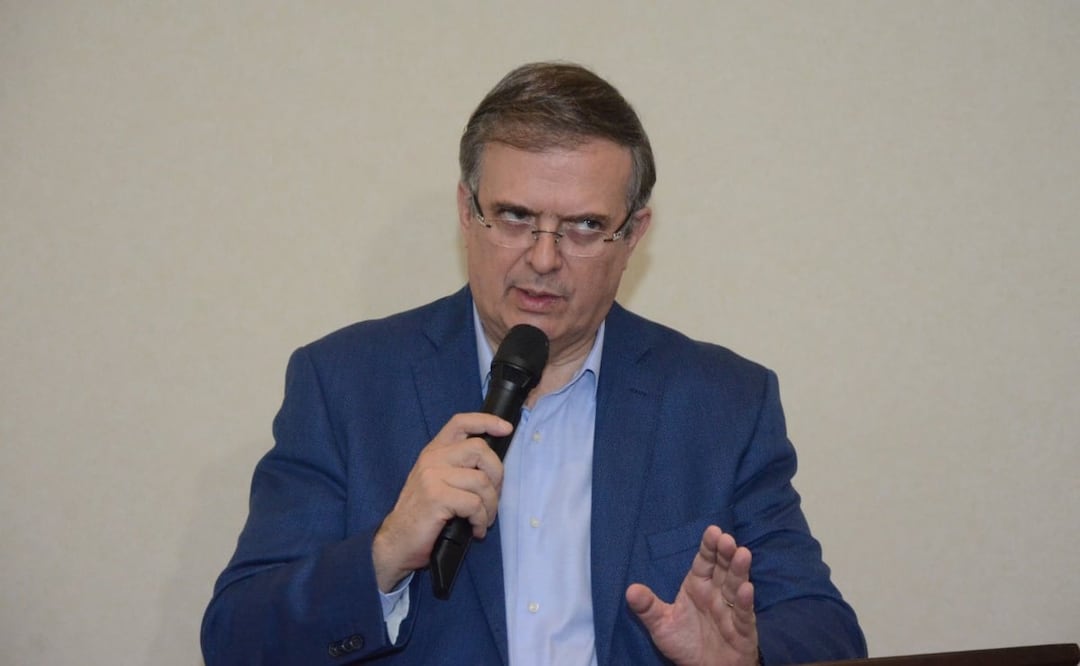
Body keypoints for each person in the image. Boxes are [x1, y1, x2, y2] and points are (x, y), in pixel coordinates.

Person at [201, 62, 867, 665]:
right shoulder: (344, 383)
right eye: (516, 216)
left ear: (632, 235)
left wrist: (743, 661)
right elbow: (235, 639)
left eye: (582, 227)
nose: (543, 259)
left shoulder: (723, 402)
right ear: (467, 212)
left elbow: (826, 632)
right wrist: (383, 554)